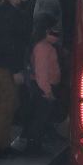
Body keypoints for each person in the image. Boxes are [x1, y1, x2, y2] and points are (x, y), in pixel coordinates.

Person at [0, 0, 33, 157]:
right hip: (6, 66)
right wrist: (17, 69)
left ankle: (2, 143)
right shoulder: (13, 16)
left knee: (10, 103)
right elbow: (11, 45)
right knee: (6, 104)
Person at [26, 22, 64, 153]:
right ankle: (33, 146)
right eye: (53, 33)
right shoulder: (43, 48)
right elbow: (41, 72)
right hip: (43, 87)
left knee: (41, 116)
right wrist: (47, 91)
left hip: (44, 86)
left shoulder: (47, 46)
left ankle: (36, 144)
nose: (56, 36)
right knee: (39, 117)